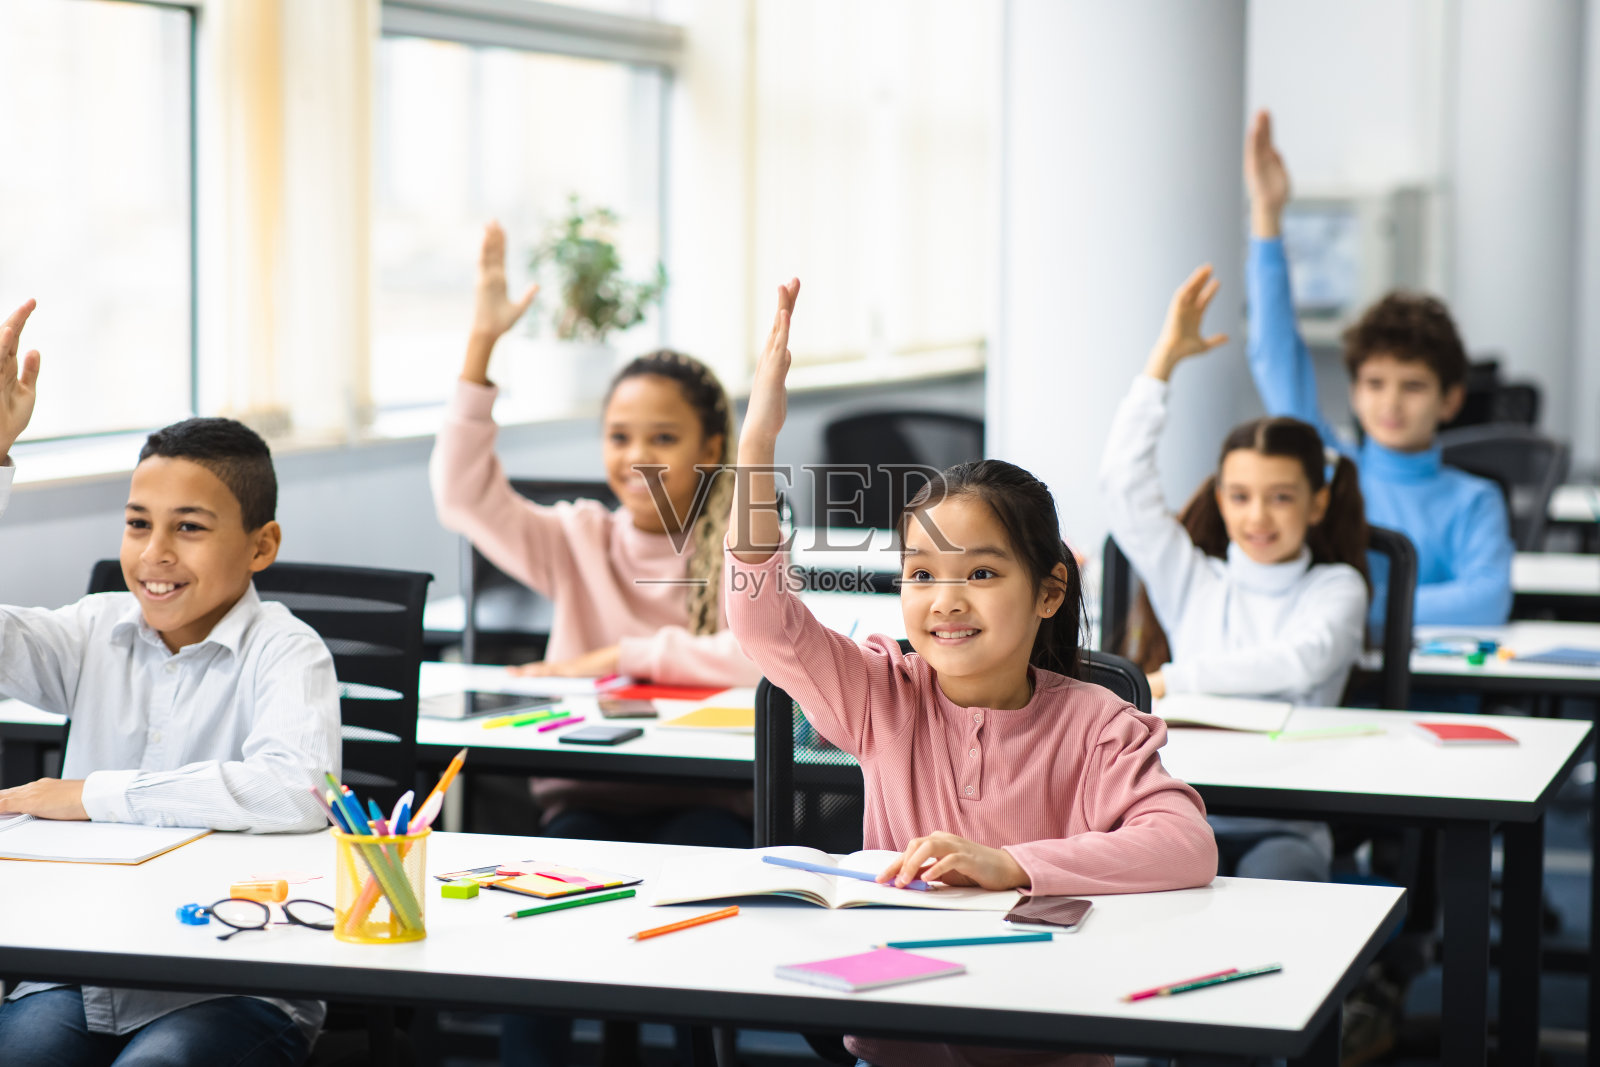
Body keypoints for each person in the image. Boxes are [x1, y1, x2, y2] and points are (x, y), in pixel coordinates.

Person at [725, 279, 1216, 1067]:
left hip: (1043, 1043)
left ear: (1048, 589)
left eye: (981, 575)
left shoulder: (1098, 723)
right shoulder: (881, 694)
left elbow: (1185, 844)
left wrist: (1014, 865)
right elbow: (760, 618)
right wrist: (757, 444)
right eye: (920, 575)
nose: (944, 601)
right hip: (901, 1045)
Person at [429, 223, 757, 1067]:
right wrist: (479, 349)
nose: (635, 456)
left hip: (709, 806)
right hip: (587, 800)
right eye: (619, 436)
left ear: (712, 447)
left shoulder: (743, 541)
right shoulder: (576, 536)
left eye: (663, 437)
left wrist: (612, 659)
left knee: (695, 928)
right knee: (532, 928)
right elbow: (464, 495)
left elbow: (756, 660)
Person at [0, 300, 340, 1067]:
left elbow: (295, 791)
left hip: (236, 984)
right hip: (84, 976)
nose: (154, 552)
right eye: (136, 523)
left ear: (261, 545)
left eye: (188, 526)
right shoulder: (92, 630)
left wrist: (92, 794)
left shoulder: (288, 651)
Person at [1101, 265, 1370, 883]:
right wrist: (1162, 363)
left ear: (1317, 502)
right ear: (1219, 499)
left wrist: (1174, 680)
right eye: (1241, 496)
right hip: (1175, 814)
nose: (1258, 516)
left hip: (1285, 819)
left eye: (1281, 497)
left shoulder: (1338, 587)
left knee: (1284, 883)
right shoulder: (1195, 578)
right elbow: (1123, 485)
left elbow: (1299, 660)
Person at [1245, 109, 1512, 628]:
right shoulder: (1330, 469)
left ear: (1451, 398)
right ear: (1355, 391)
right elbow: (1273, 355)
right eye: (1374, 384)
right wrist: (1267, 216)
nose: (1390, 403)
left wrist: (1353, 610)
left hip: (1437, 695)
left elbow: (1487, 600)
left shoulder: (1473, 501)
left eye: (1412, 386)